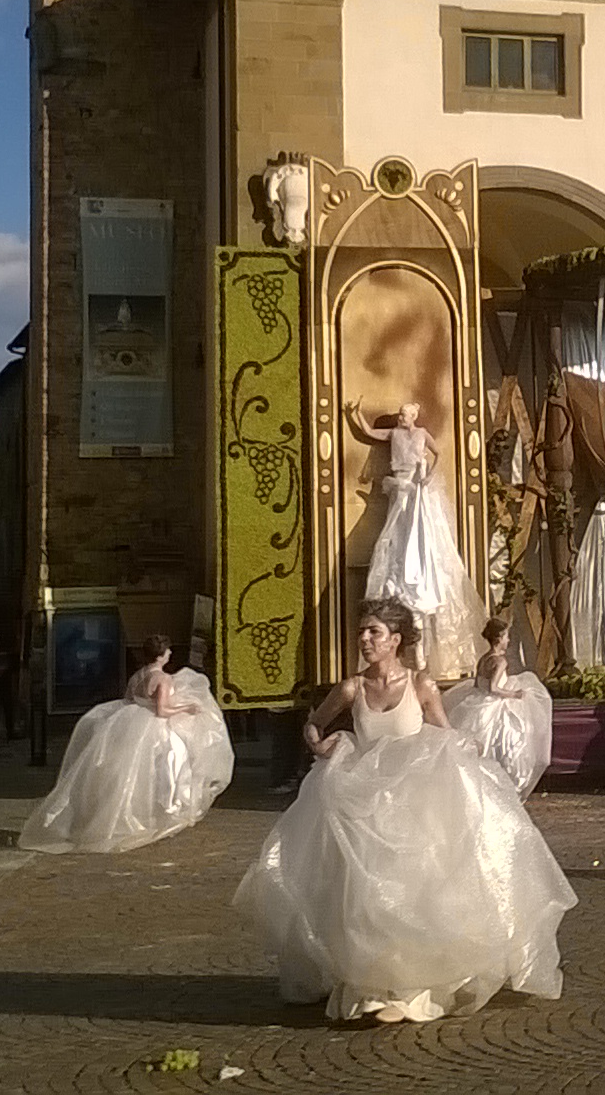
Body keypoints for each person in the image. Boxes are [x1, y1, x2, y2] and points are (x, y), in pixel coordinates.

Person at [234, 603, 575, 1023]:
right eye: (362, 632)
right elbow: (314, 723)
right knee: (362, 893)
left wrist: (463, 761)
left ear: (395, 640)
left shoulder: (420, 684)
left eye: (374, 632)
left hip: (416, 798)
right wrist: (322, 745)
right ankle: (370, 985)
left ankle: (413, 988)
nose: (365, 640)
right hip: (363, 799)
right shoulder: (351, 689)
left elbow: (444, 732)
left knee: (416, 891)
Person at [21, 634, 234, 854]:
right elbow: (161, 710)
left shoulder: (137, 676)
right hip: (155, 730)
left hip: (129, 725)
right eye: (168, 651)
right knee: (167, 771)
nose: (170, 654)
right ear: (162, 655)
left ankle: (129, 816)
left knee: (131, 776)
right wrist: (187, 708)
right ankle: (157, 816)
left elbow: (129, 700)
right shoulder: (163, 678)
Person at [346, 401, 485, 680]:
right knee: (397, 535)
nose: (400, 418)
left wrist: (430, 473)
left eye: (404, 414)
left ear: (413, 416)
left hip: (417, 489)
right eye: (398, 414)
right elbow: (370, 433)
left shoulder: (421, 434)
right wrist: (355, 414)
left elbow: (438, 453)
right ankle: (411, 648)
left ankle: (423, 645)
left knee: (420, 537)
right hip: (400, 488)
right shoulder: (393, 435)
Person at [440, 617, 556, 796]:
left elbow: (479, 685)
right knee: (503, 743)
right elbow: (494, 688)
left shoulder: (484, 659)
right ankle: (498, 783)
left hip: (477, 704)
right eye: (507, 637)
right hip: (493, 705)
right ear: (500, 638)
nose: (508, 640)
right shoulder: (500, 662)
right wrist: (514, 695)